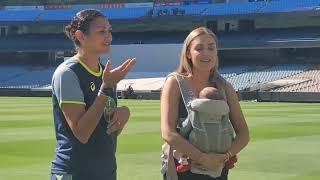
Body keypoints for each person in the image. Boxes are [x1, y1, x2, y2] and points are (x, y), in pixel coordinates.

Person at [50, 9, 136, 180]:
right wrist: (106, 87)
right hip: (75, 172)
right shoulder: (68, 73)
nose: (108, 36)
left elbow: (104, 128)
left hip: (105, 171)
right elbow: (82, 133)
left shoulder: (105, 72)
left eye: (109, 30)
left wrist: (124, 114)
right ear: (80, 36)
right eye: (101, 31)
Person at [161, 27, 249, 180]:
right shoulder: (175, 82)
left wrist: (224, 157)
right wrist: (202, 158)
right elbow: (168, 133)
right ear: (188, 53)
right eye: (199, 48)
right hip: (181, 171)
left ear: (216, 52)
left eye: (211, 47)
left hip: (217, 170)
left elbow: (243, 134)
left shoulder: (225, 87)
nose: (206, 53)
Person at [174, 86, 235, 177]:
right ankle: (230, 161)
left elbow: (186, 128)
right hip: (222, 146)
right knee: (228, 149)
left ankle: (185, 163)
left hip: (198, 145)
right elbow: (229, 129)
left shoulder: (195, 111)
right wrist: (232, 140)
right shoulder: (224, 112)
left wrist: (182, 136)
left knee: (183, 148)